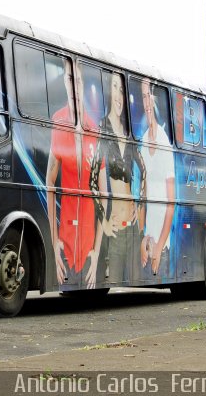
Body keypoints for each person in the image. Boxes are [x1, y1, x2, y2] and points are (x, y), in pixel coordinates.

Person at [86, 72, 145, 288]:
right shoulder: (103, 129)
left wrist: (138, 206)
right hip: (117, 231)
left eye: (122, 90)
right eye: (115, 88)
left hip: (133, 228)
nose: (119, 95)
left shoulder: (129, 134)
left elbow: (144, 172)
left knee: (138, 282)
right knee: (117, 279)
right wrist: (103, 219)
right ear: (109, 93)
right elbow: (93, 182)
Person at [45, 62, 102, 284]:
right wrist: (53, 241)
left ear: (82, 85)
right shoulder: (57, 122)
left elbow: (104, 195)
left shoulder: (94, 130)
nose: (74, 86)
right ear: (65, 84)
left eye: (78, 80)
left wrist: (97, 253)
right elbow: (50, 182)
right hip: (65, 240)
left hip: (88, 244)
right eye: (70, 79)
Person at [138, 80, 175, 279]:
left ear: (156, 98)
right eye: (143, 96)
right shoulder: (144, 139)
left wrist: (159, 247)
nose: (146, 102)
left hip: (163, 245)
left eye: (148, 96)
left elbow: (171, 203)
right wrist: (143, 237)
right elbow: (144, 194)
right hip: (149, 241)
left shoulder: (164, 143)